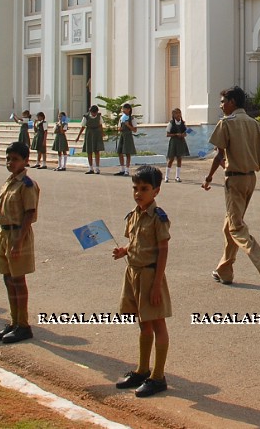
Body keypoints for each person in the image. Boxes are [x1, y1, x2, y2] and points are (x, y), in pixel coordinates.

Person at [202, 85, 260, 295]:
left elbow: (219, 155)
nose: (221, 106)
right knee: (229, 227)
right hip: (250, 180)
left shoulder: (226, 123)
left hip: (234, 180)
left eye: (223, 101)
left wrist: (208, 178)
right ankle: (224, 270)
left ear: (232, 102)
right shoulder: (254, 124)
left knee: (236, 228)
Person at [113, 164, 172, 397]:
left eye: (144, 188)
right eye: (135, 188)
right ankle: (142, 369)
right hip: (133, 273)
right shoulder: (134, 214)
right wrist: (124, 251)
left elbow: (162, 250)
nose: (138, 193)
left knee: (158, 324)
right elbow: (136, 243)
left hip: (150, 275)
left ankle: (158, 376)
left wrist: (157, 284)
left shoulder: (158, 218)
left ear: (156, 191)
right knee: (143, 323)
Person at [0, 141, 39, 343]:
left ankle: (23, 325)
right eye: (8, 158)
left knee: (18, 280)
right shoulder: (10, 182)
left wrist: (18, 242)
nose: (10, 162)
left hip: (18, 235)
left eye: (15, 159)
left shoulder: (27, 185)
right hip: (5, 233)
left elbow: (28, 214)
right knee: (8, 279)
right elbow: (9, 212)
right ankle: (14, 321)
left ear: (25, 161)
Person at [77, 105, 105, 174]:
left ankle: (97, 168)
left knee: (97, 151)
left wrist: (102, 133)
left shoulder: (99, 116)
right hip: (89, 133)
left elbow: (100, 125)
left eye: (95, 113)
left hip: (97, 133)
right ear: (90, 111)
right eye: (93, 113)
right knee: (89, 151)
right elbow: (83, 126)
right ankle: (91, 168)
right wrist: (78, 136)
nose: (94, 114)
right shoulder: (86, 117)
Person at [165, 108, 190, 184]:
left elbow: (186, 132)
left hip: (181, 142)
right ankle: (166, 176)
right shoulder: (171, 123)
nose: (178, 115)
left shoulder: (183, 123)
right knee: (171, 159)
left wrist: (183, 135)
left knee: (179, 158)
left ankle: (177, 176)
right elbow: (167, 134)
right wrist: (176, 134)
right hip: (174, 142)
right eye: (176, 113)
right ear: (173, 115)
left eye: (179, 113)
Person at [115, 103, 138, 177]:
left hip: (128, 136)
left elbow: (135, 130)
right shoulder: (122, 118)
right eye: (123, 109)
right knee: (120, 152)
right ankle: (122, 169)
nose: (123, 110)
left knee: (127, 153)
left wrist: (128, 125)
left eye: (125, 109)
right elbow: (119, 127)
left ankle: (127, 170)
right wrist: (120, 128)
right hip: (122, 135)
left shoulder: (132, 119)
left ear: (129, 110)